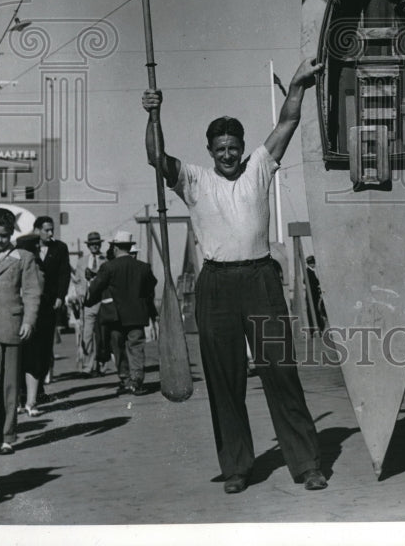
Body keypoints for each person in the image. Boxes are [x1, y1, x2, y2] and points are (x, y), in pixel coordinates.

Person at [142, 57, 327, 494]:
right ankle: (238, 466)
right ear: (210, 151)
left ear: (242, 146)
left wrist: (298, 83)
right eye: (219, 148)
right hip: (216, 285)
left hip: (261, 279)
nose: (227, 154)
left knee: (280, 371)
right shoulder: (193, 180)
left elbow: (288, 120)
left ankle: (307, 464)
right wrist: (153, 113)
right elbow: (155, 155)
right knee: (225, 379)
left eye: (233, 146)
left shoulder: (260, 167)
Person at [85, 231, 157, 395]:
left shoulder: (108, 267)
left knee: (118, 347)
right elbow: (150, 287)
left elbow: (95, 288)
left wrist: (90, 301)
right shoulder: (143, 267)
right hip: (137, 315)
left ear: (116, 247)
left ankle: (125, 378)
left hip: (115, 316)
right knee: (136, 346)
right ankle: (137, 380)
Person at [0, 208, 42, 454]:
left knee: (9, 385)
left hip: (11, 327)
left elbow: (33, 292)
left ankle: (6, 436)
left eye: (3, 235)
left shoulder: (23, 257)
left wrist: (28, 321)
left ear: (11, 233)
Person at [16, 215, 71, 414]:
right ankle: (23, 392)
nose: (50, 233)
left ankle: (38, 390)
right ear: (37, 229)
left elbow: (65, 273)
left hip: (49, 305)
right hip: (28, 305)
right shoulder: (26, 247)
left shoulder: (60, 248)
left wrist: (60, 296)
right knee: (27, 346)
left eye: (52, 229)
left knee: (45, 347)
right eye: (46, 230)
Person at [79, 231, 106, 376]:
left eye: (97, 244)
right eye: (92, 244)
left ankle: (101, 365)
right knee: (87, 335)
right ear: (88, 246)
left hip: (102, 302)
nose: (95, 246)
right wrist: (80, 294)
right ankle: (87, 367)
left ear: (100, 244)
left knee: (102, 335)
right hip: (88, 303)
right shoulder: (82, 262)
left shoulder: (106, 261)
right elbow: (78, 280)